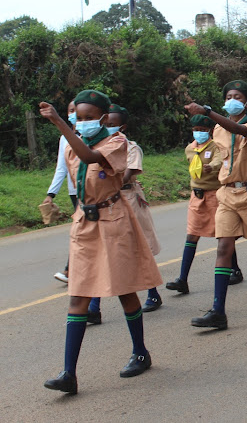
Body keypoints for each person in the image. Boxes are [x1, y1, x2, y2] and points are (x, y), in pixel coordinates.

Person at [40, 90, 162, 394]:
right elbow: (74, 171)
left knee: (124, 290)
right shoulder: (71, 144)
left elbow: (90, 157)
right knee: (78, 295)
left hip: (113, 220)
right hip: (84, 223)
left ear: (104, 119)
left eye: (88, 117)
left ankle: (140, 352)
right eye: (77, 117)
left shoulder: (116, 143)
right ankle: (69, 373)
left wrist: (59, 122)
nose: (81, 122)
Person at [186, 80, 247, 330]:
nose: (232, 99)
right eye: (228, 96)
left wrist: (207, 111)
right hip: (227, 194)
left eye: (237, 96)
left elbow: (241, 131)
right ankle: (218, 310)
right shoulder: (218, 129)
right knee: (223, 247)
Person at [86, 104, 164, 318]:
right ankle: (94, 307)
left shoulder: (129, 147)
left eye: (113, 124)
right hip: (107, 204)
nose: (108, 127)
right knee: (103, 251)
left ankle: (153, 293)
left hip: (128, 197)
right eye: (106, 123)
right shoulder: (95, 149)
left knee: (139, 249)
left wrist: (108, 182)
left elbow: (127, 173)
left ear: (123, 126)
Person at [165, 114, 224, 294]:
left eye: (203, 130)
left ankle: (234, 269)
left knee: (222, 235)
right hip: (196, 196)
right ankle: (182, 279)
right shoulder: (190, 148)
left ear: (210, 131)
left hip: (214, 194)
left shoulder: (216, 147)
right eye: (196, 130)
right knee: (192, 235)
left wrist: (212, 167)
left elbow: (219, 160)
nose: (199, 133)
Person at [46, 99, 79, 283]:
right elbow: (62, 168)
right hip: (75, 191)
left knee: (80, 230)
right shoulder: (64, 138)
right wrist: (51, 194)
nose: (73, 113)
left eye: (76, 109)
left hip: (93, 190)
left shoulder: (93, 135)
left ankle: (70, 270)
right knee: (82, 230)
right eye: (70, 110)